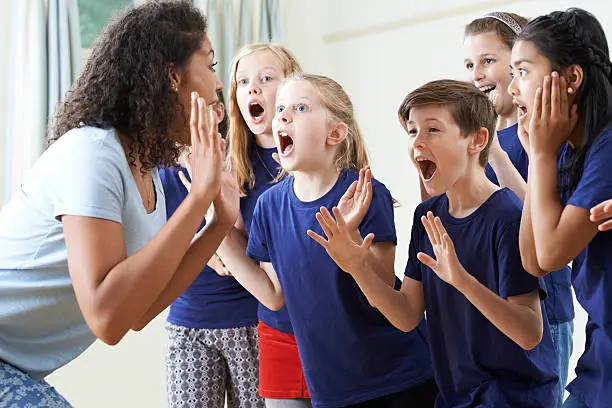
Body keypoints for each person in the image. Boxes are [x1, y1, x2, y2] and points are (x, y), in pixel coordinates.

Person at [0, 2, 236, 406]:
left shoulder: (147, 174)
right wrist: (199, 199)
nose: (218, 86)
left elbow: (137, 311)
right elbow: (105, 318)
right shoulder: (92, 153)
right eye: (210, 65)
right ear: (172, 76)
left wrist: (217, 224)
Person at [310, 79, 559, 407]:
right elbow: (407, 315)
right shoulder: (427, 215)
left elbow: (530, 332)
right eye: (412, 132)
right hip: (454, 397)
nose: (417, 143)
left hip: (514, 398)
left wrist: (463, 282)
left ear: (477, 140)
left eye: (432, 130)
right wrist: (356, 267)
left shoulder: (508, 216)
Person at [222, 73, 436, 407]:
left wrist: (350, 245)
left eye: (301, 107)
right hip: (332, 391)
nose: (284, 116)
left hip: (398, 379)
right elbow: (273, 295)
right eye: (281, 109)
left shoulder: (367, 194)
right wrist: (216, 223)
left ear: (335, 133)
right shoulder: (268, 206)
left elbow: (384, 295)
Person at [463, 13, 574, 405]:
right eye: (470, 64)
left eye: (488, 61)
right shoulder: (479, 141)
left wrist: (494, 153)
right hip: (495, 309)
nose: (477, 73)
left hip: (545, 309)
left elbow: (541, 216)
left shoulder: (544, 135)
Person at [509, 8, 612, 408]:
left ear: (571, 79)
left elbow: (551, 253)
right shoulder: (570, 152)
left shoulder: (605, 146)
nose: (512, 87)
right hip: (600, 361)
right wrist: (540, 156)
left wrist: (541, 153)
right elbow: (533, 260)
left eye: (523, 71)